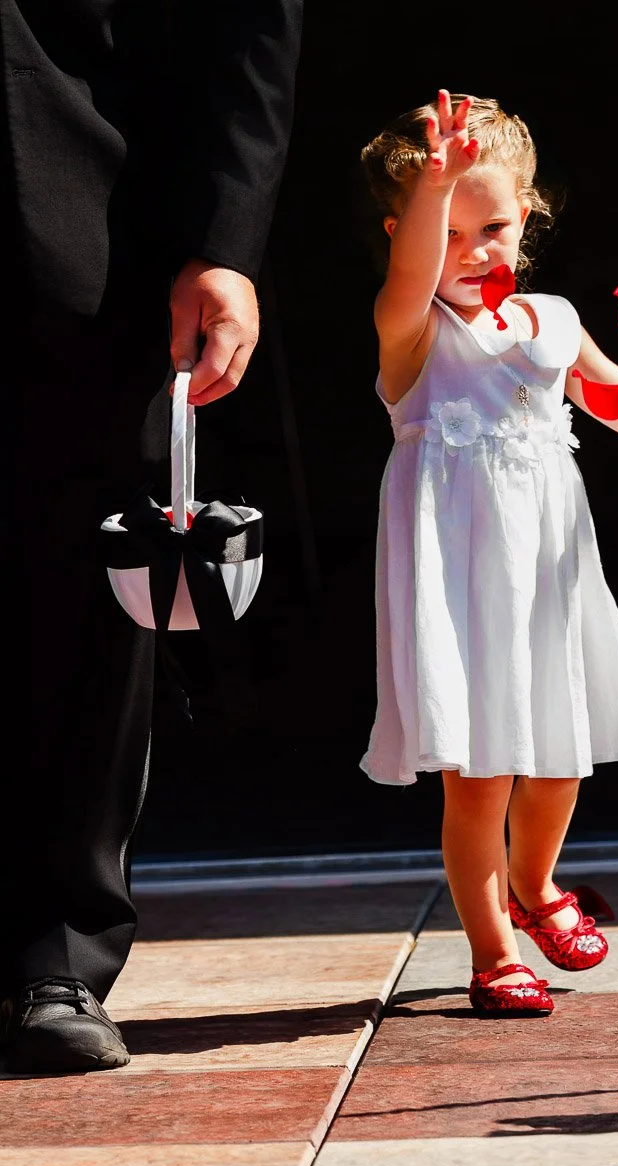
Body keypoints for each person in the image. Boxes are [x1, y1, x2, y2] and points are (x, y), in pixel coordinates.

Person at [358, 90, 618, 1017]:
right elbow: (409, 274)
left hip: (546, 570)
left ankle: (538, 881)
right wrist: (436, 186)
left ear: (530, 217)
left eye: (498, 227)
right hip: (461, 578)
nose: (477, 252)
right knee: (480, 773)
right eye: (451, 230)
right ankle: (493, 948)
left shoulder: (551, 319)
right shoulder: (417, 332)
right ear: (411, 230)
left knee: (556, 757)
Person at [0, 0, 304, 1072]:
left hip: (84, 221)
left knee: (84, 599)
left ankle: (58, 959)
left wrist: (223, 243)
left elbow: (245, 20)